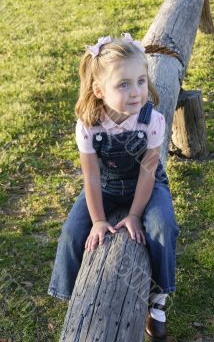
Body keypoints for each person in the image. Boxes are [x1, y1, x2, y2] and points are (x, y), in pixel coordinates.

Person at [48, 32, 180, 341]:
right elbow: (91, 177)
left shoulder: (152, 121)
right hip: (104, 186)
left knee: (163, 227)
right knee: (71, 233)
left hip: (145, 184)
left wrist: (134, 215)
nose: (136, 92)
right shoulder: (89, 125)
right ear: (99, 90)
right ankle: (72, 298)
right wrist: (97, 220)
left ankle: (158, 299)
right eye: (123, 84)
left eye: (140, 81)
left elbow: (148, 173)